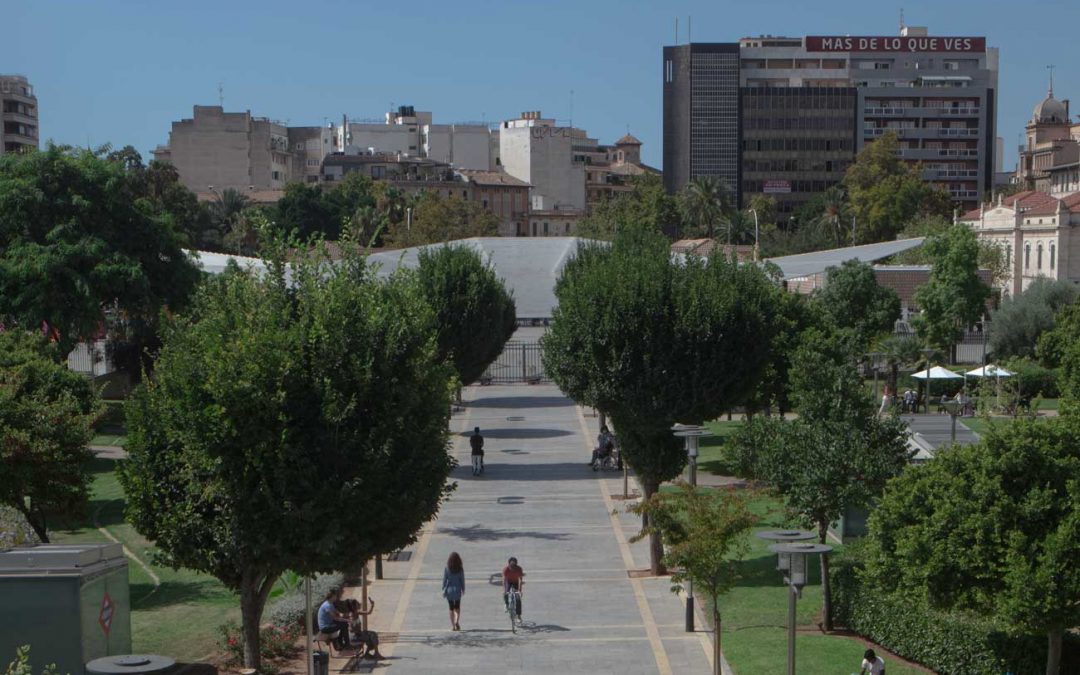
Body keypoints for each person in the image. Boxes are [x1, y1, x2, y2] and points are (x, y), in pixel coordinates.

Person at [442, 551, 465, 631]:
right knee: (457, 607)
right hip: (457, 590)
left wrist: (443, 588)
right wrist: (463, 589)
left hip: (449, 591)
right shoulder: (460, 569)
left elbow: (444, 580)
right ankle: (457, 621)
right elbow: (462, 580)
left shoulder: (447, 568)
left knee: (451, 608)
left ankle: (453, 625)